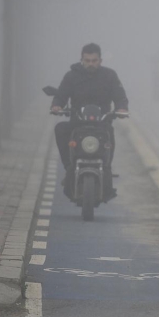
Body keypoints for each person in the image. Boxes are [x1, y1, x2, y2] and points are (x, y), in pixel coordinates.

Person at [51, 43, 129, 200]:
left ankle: (106, 169)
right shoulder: (71, 76)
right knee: (60, 129)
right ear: (82, 60)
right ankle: (69, 167)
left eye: (94, 60)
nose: (91, 64)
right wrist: (57, 105)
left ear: (100, 60)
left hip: (102, 123)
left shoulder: (110, 75)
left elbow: (120, 95)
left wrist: (121, 109)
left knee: (109, 136)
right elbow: (61, 94)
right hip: (77, 122)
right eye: (87, 60)